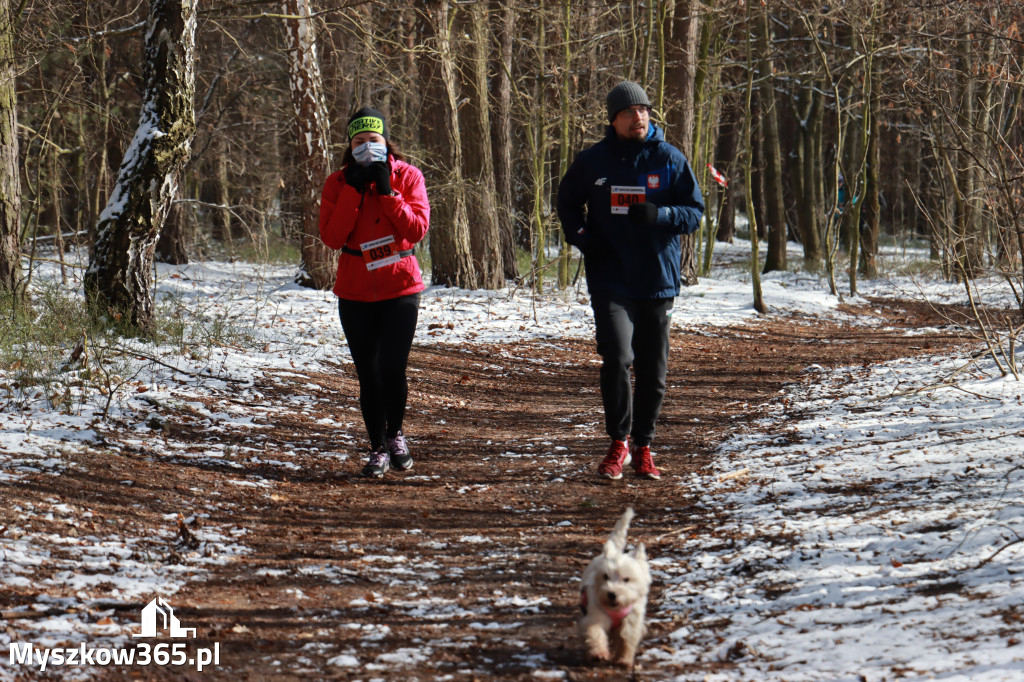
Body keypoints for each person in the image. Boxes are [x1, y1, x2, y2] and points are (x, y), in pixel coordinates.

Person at [557, 81, 704, 481]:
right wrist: (583, 239)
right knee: (618, 358)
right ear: (614, 120)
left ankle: (643, 446)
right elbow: (567, 202)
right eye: (629, 112)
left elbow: (695, 212)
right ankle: (618, 441)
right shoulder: (593, 161)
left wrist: (661, 215)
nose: (638, 117)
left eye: (643, 110)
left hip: (656, 278)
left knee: (653, 369)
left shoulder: (670, 159)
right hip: (610, 277)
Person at [318, 107, 430, 478]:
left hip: (400, 287)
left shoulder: (408, 176)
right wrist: (353, 189)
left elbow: (415, 230)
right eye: (359, 142)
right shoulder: (337, 183)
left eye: (374, 140)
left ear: (386, 142)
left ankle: (396, 434)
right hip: (356, 291)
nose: (367, 147)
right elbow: (332, 238)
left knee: (392, 367)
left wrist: (388, 192)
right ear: (350, 147)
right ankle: (377, 447)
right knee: (368, 372)